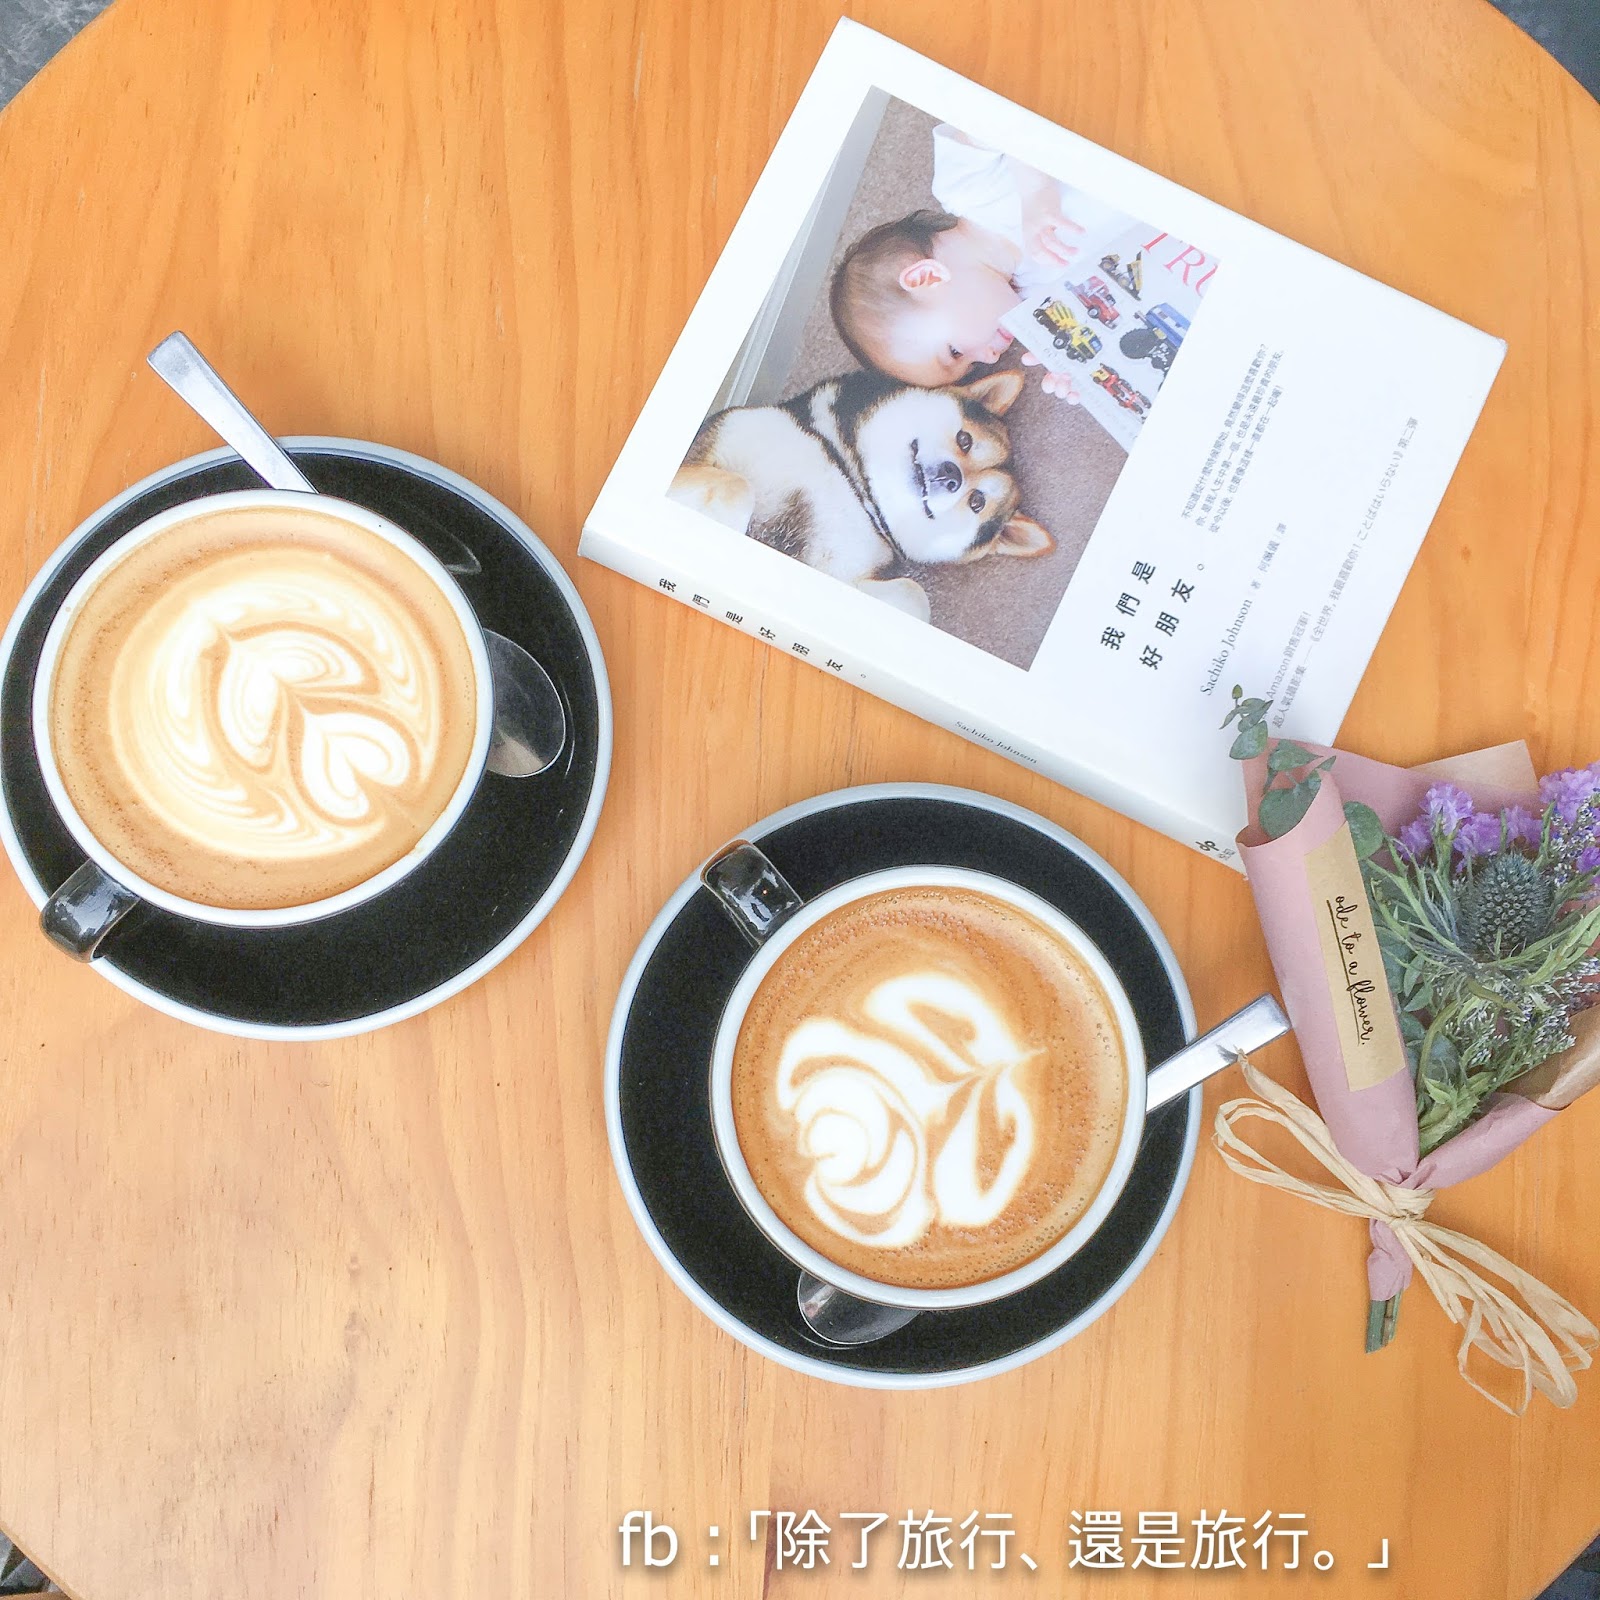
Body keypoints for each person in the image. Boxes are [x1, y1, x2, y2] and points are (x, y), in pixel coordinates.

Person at [830, 125, 1123, 399]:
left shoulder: (966, 188)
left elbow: (998, 111)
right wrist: (1081, 366)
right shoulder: (1039, 297)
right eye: (973, 365)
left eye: (956, 352)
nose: (990, 358)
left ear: (926, 277)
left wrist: (1035, 189)